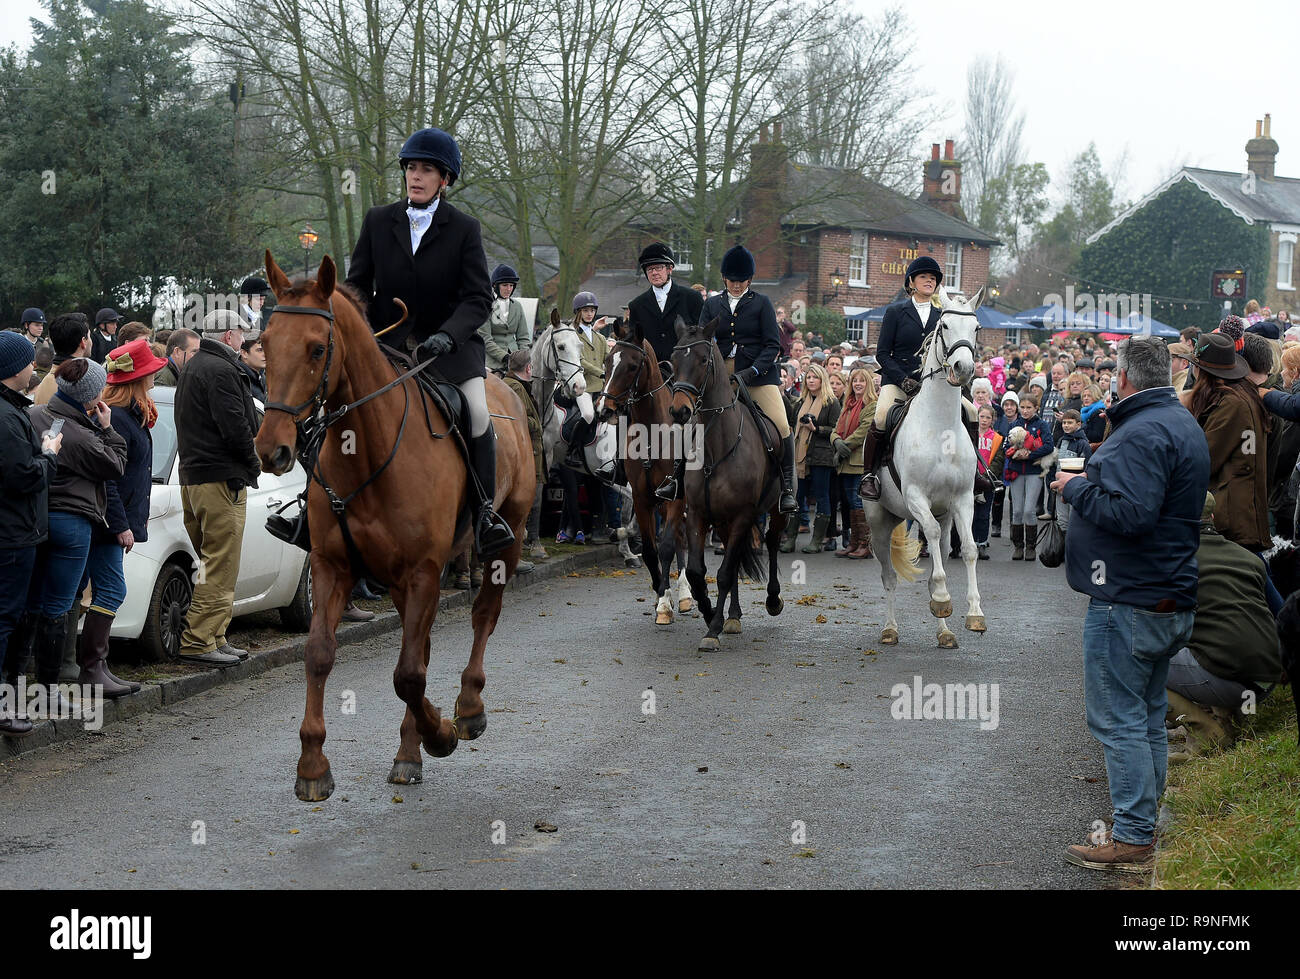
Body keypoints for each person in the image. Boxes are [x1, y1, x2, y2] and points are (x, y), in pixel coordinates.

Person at [1051, 334, 1209, 874]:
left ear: (1123, 378)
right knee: (1145, 717)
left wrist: (1073, 489)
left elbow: (1133, 515)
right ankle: (1147, 822)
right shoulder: (1178, 421)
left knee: (1119, 720)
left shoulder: (1143, 430)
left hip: (1129, 598)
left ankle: (1135, 835)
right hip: (1163, 592)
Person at [344, 126, 513, 554]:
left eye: (427, 170)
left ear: (445, 179)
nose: (416, 177)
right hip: (386, 349)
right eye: (411, 168)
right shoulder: (379, 221)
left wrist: (447, 335)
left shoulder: (464, 229)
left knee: (477, 414)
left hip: (449, 354)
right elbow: (357, 287)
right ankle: (312, 512)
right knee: (340, 411)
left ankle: (485, 515)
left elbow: (478, 297)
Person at [13, 359, 127, 716]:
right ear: (93, 396)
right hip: (73, 523)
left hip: (36, 519)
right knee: (58, 608)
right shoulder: (83, 435)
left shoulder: (34, 416)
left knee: (30, 603)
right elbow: (116, 465)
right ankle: (47, 691)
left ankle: (15, 685)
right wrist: (108, 429)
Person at [660, 244, 796, 514]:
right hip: (717, 374)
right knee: (688, 423)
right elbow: (700, 340)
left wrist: (752, 371)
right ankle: (675, 478)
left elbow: (772, 346)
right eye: (732, 280)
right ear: (725, 279)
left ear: (749, 280)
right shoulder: (712, 304)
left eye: (742, 281)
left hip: (757, 376)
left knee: (781, 423)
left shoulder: (762, 303)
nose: (737, 285)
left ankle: (788, 488)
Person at [1166, 492, 1284, 760]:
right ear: (1214, 518)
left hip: (1224, 674)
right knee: (1213, 637)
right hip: (1266, 678)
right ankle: (1227, 720)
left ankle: (1204, 731)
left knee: (1132, 664)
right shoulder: (1250, 557)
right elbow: (1280, 612)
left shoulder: (1174, 559)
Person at [83, 338, 170, 696]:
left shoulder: (130, 414)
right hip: (106, 522)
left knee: (102, 589)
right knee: (113, 588)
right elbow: (109, 479)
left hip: (114, 519)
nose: (154, 380)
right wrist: (121, 526)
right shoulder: (117, 417)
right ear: (136, 380)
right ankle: (91, 668)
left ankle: (95, 667)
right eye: (149, 374)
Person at [173, 326, 262, 666]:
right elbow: (237, 427)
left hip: (194, 477)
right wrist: (253, 466)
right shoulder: (223, 369)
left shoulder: (194, 366)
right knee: (220, 563)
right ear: (229, 336)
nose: (250, 341)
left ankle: (215, 634)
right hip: (220, 479)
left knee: (213, 562)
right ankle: (198, 639)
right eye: (244, 335)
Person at [0, 334, 60, 736]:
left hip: (17, 531)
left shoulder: (11, 410)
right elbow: (20, 477)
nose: (34, 367)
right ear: (13, 368)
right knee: (5, 618)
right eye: (29, 361)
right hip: (12, 535)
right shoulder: (5, 416)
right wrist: (49, 455)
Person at [860, 255, 952, 501]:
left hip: (933, 384)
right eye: (924, 277)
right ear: (911, 281)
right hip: (899, 380)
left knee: (970, 412)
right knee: (880, 417)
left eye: (933, 278)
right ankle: (869, 475)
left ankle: (975, 472)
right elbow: (882, 353)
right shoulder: (896, 312)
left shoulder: (943, 315)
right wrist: (902, 380)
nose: (929, 281)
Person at [1187, 332, 1271, 557]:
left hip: (1233, 519)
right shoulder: (1237, 398)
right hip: (1238, 514)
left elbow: (1204, 459)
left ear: (1202, 371)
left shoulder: (1232, 405)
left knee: (1249, 586)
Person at [785, 364, 839, 553]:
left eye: (815, 377)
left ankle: (817, 541)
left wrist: (818, 429)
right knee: (798, 496)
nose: (811, 380)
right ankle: (790, 538)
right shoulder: (800, 402)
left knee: (822, 496)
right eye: (808, 377)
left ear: (822, 379)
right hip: (800, 455)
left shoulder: (831, 402)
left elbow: (836, 429)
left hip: (821, 456)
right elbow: (793, 425)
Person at [625, 243, 704, 368]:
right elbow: (635, 344)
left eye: (659, 268)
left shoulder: (692, 298)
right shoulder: (636, 305)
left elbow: (702, 337)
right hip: (652, 371)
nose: (654, 273)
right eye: (650, 269)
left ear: (669, 269)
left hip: (686, 371)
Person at [502, 347, 543, 567]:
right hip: (527, 452)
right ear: (528, 368)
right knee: (519, 510)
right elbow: (519, 419)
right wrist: (538, 424)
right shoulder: (516, 386)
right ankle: (513, 558)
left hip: (524, 451)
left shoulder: (510, 383)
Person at [1003, 392, 1053, 560]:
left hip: (1033, 471)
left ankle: (1031, 547)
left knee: (1029, 510)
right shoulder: (1014, 424)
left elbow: (1048, 446)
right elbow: (1005, 446)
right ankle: (1018, 546)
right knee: (1017, 511)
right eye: (1022, 407)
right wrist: (1014, 452)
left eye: (1028, 408)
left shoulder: (1042, 425)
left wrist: (1030, 455)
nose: (1025, 411)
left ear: (1036, 408)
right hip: (1016, 471)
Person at [832, 366, 874, 559]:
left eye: (862, 380)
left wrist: (842, 445)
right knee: (850, 503)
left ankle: (865, 544)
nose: (858, 384)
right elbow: (835, 429)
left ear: (868, 384)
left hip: (858, 461)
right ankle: (854, 543)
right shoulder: (847, 404)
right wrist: (836, 441)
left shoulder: (871, 405)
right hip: (845, 461)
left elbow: (863, 432)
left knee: (858, 502)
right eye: (855, 380)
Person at [478, 264, 530, 373]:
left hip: (516, 362)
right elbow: (486, 339)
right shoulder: (486, 306)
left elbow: (523, 337)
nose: (509, 289)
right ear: (495, 286)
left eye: (511, 285)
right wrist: (505, 357)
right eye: (505, 285)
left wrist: (523, 357)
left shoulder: (517, 306)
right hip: (492, 362)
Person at [32, 313, 92, 406]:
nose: (91, 342)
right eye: (89, 336)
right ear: (83, 342)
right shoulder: (79, 390)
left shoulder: (43, 385)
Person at [972, 405, 1004, 559]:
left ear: (993, 420)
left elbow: (998, 459)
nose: (984, 420)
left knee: (984, 515)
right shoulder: (970, 434)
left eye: (987, 417)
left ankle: (982, 543)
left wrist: (988, 476)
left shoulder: (997, 438)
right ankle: (970, 543)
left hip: (987, 481)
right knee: (970, 514)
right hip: (970, 479)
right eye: (982, 416)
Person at [1054, 408, 1091, 534]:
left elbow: (1087, 466)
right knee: (1062, 520)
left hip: (1075, 487)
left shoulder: (1083, 443)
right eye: (1064, 422)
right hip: (1060, 486)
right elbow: (1055, 462)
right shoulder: (1061, 440)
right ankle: (1062, 549)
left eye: (1069, 422)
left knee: (1073, 520)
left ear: (1078, 424)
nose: (1066, 425)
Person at [237, 335, 266, 403]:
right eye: (260, 350)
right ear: (244, 353)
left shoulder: (263, 378)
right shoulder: (237, 379)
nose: (265, 354)